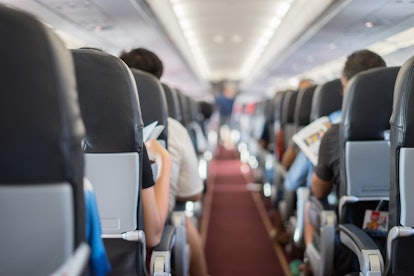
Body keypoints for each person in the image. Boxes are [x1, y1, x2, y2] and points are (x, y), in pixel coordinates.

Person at [120, 47, 209, 275]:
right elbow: (193, 193)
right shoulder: (171, 131)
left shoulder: (69, 137)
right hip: (152, 232)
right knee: (186, 229)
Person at [303, 49, 386, 274]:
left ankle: (308, 265)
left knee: (311, 203)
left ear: (349, 88)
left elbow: (318, 190)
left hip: (354, 245)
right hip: (402, 248)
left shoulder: (335, 134)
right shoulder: (407, 131)